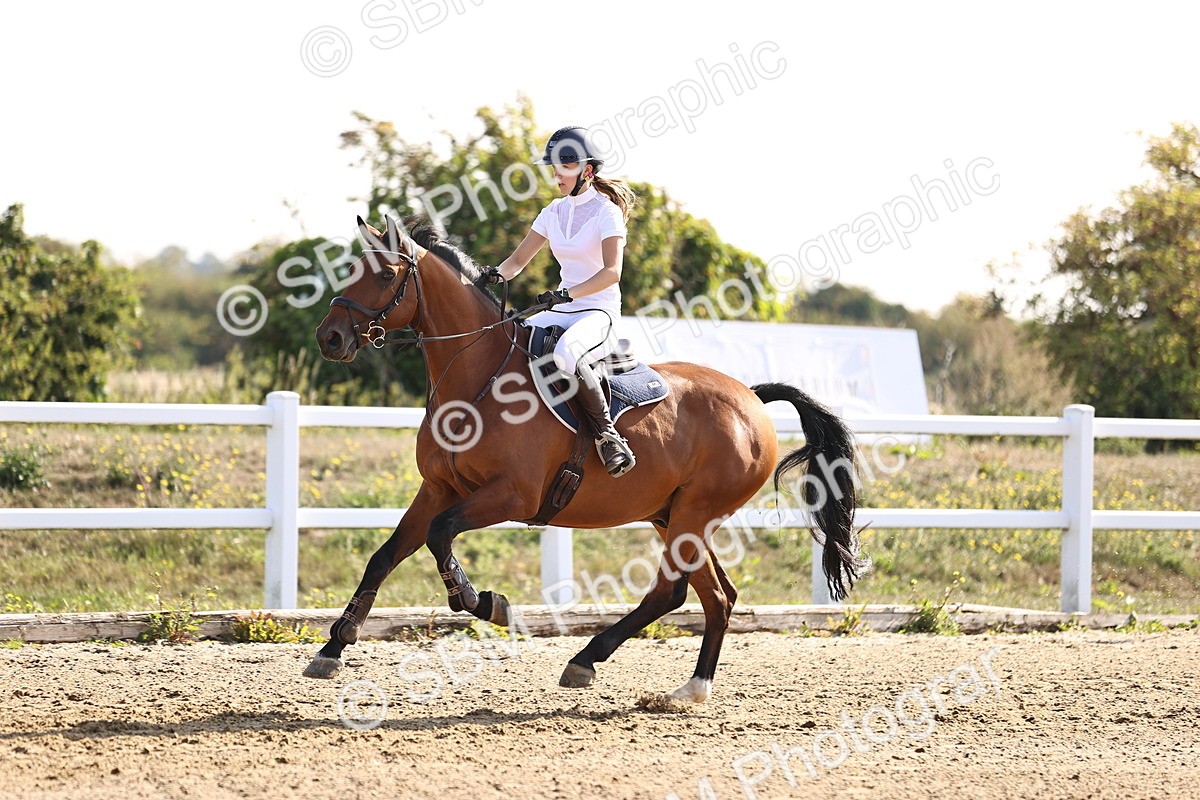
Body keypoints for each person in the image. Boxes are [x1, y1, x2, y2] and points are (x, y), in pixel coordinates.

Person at [488, 126, 639, 478]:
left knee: (565, 355)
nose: (556, 174)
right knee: (509, 341)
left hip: (598, 311)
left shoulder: (607, 213)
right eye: (554, 166)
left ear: (587, 170)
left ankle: (607, 436)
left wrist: (568, 294)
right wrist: (488, 276)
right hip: (563, 308)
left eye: (564, 166)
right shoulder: (552, 212)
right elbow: (514, 264)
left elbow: (612, 272)